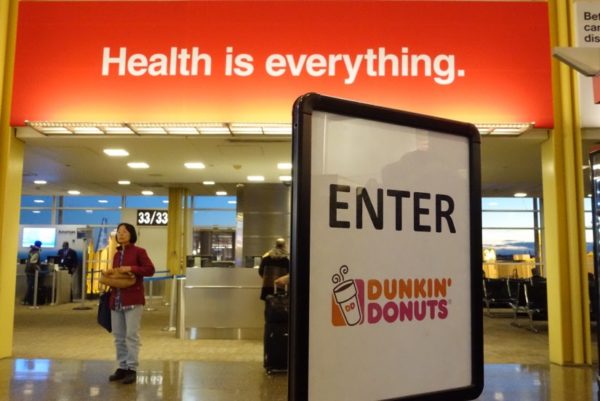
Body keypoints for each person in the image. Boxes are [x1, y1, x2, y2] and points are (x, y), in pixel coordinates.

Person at [106, 223, 155, 385]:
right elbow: (117, 278)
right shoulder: (115, 254)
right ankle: (122, 367)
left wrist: (132, 268)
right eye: (118, 232)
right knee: (118, 337)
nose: (121, 235)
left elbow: (150, 269)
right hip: (116, 300)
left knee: (131, 336)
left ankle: (132, 369)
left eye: (124, 232)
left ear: (131, 234)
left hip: (133, 300)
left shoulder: (139, 252)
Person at [22, 240, 42, 305]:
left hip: (28, 270)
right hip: (32, 271)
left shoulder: (31, 250)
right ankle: (25, 300)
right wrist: (38, 268)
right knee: (31, 286)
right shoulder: (36, 252)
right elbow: (33, 262)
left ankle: (26, 300)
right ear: (40, 245)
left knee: (30, 286)